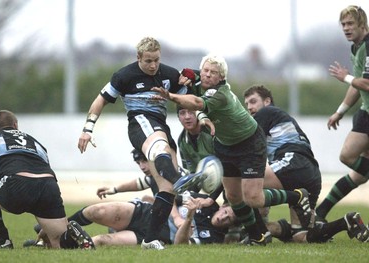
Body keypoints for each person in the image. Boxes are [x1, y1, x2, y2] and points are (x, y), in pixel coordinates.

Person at [152, 54, 312, 245]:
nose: (208, 75)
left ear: (221, 78)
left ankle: (297, 196)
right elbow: (187, 76)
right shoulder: (199, 79)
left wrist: (170, 96)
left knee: (253, 198)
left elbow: (196, 103)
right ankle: (258, 236)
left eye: (214, 73)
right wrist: (179, 74)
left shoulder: (220, 93)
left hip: (249, 143)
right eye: (206, 71)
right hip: (225, 145)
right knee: (234, 196)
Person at [77, 37, 191, 250]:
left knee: (167, 189)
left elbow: (189, 99)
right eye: (148, 60)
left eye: (156, 60)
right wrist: (87, 129)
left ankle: (149, 240)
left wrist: (190, 84)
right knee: (159, 147)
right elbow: (100, 99)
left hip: (160, 125)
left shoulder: (169, 74)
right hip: (139, 123)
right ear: (138, 57)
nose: (153, 65)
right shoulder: (124, 76)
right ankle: (181, 180)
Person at [243, 84, 367, 243]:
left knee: (246, 183)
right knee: (302, 236)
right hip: (311, 173)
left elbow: (245, 144)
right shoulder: (278, 118)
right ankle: (346, 222)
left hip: (292, 162)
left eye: (253, 101)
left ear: (267, 101)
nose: (250, 107)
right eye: (247, 104)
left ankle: (258, 234)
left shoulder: (266, 112)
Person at [0, 110, 94, 249]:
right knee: (58, 242)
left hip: (15, 185)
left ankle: (2, 241)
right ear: (15, 125)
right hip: (48, 185)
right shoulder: (35, 142)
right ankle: (74, 238)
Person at [316, 5, 369, 222]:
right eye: (343, 24)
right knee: (359, 174)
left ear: (362, 25)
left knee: (347, 155)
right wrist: (340, 111)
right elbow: (357, 85)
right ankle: (320, 213)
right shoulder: (356, 47)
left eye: (350, 24)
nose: (346, 28)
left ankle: (319, 212)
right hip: (365, 112)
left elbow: (365, 82)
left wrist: (345, 77)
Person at [62, 191, 230, 247]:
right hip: (146, 214)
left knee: (101, 240)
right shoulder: (206, 201)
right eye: (226, 212)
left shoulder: (215, 237)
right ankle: (59, 230)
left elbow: (180, 244)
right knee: (97, 211)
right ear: (223, 206)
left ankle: (62, 244)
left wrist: (189, 218)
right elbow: (167, 196)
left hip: (153, 237)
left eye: (229, 219)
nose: (224, 218)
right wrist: (177, 216)